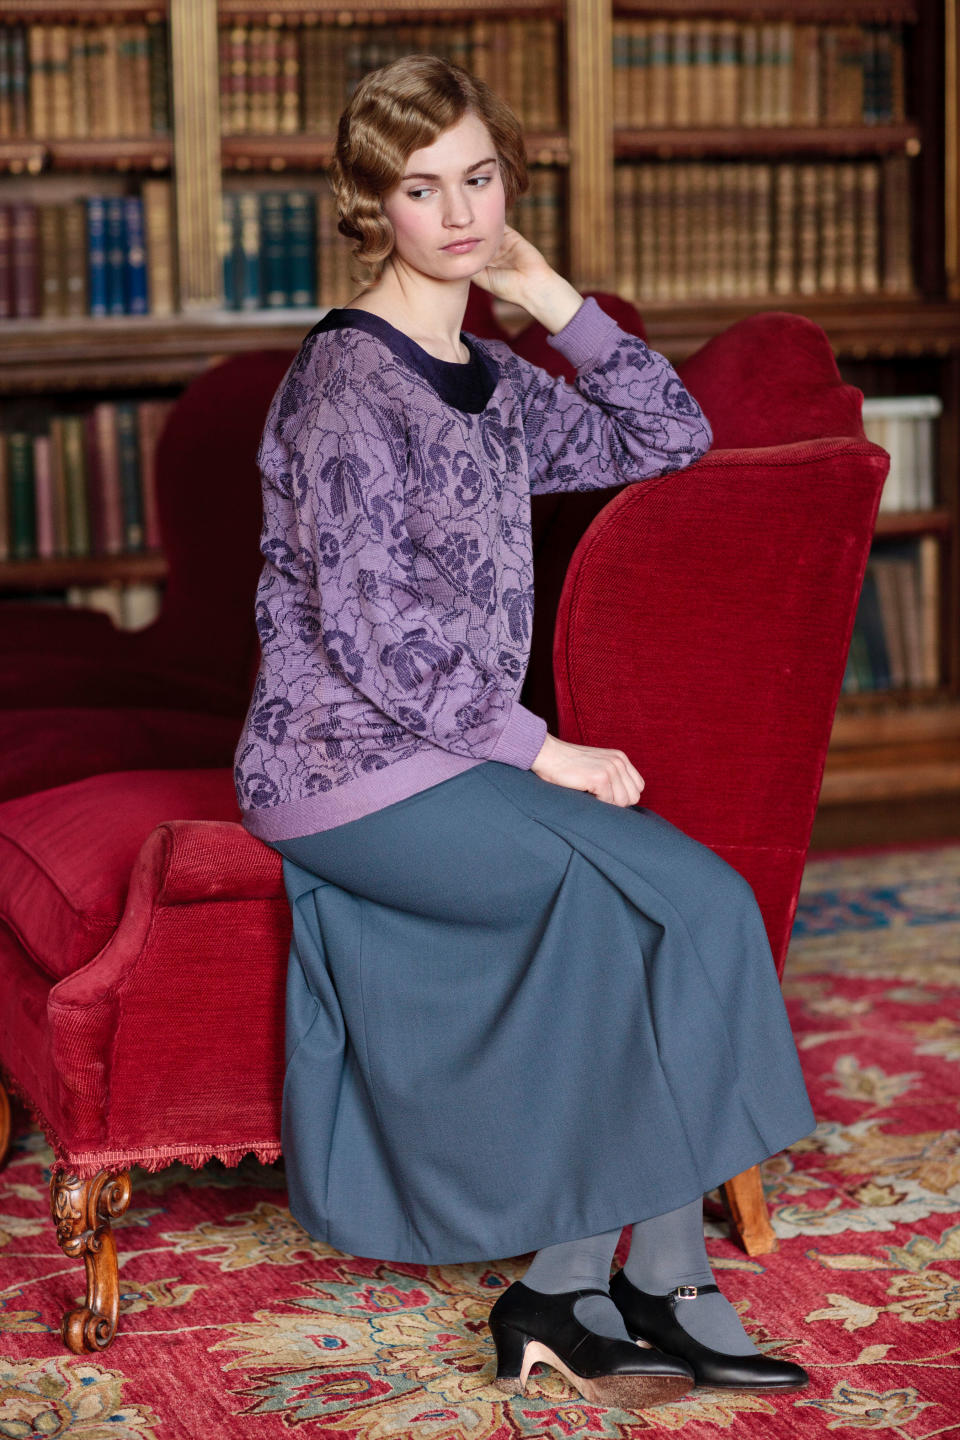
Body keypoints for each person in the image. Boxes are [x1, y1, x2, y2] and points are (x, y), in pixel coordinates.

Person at [232, 53, 816, 1411]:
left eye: (480, 178)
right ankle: (641, 1290)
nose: (458, 212)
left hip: (448, 752)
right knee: (688, 902)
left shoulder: (490, 372)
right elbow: (376, 638)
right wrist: (544, 750)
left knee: (683, 906)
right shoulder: (343, 387)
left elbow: (667, 433)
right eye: (423, 188)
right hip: (346, 767)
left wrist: (551, 297)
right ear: (370, 205)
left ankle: (592, 1285)